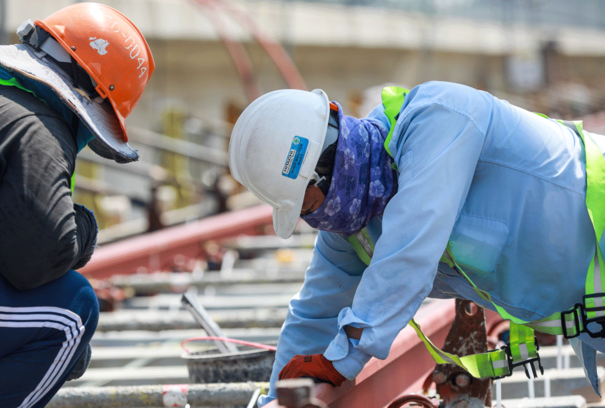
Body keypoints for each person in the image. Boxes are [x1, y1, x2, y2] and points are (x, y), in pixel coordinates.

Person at [228, 82, 605, 406]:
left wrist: (343, 358)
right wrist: (276, 399)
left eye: (308, 206)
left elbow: (410, 247)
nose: (316, 221)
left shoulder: (440, 118)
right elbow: (314, 316)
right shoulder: (355, 226)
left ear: (327, 172)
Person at [0, 3, 153, 407]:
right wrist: (83, 228)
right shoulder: (38, 126)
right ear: (94, 102)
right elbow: (36, 259)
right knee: (69, 312)